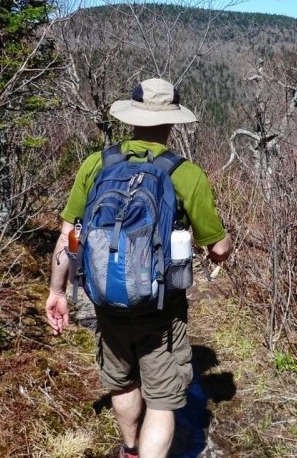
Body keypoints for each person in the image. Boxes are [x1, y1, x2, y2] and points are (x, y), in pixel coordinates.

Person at [45, 77, 233, 458]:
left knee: (121, 381)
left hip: (106, 301)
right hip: (163, 308)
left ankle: (130, 450)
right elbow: (218, 246)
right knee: (163, 400)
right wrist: (219, 251)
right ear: (172, 121)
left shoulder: (97, 163)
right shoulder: (186, 174)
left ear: (131, 118)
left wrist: (56, 292)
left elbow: (69, 236)